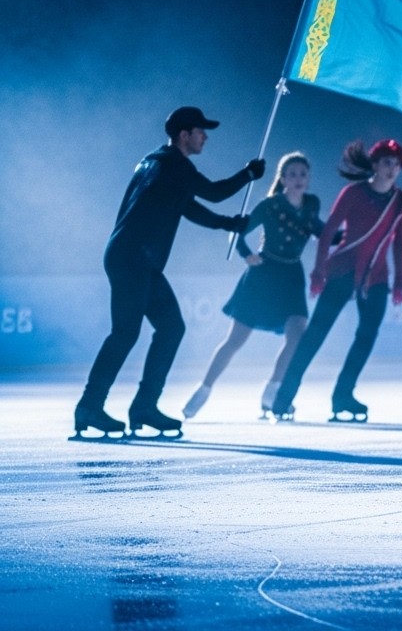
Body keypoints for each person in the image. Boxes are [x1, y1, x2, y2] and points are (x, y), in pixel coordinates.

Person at [73, 106, 264, 440]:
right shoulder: (173, 164)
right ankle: (91, 405)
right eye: (201, 131)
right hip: (133, 258)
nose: (206, 136)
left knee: (170, 327)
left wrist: (228, 224)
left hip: (132, 257)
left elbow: (187, 207)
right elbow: (214, 192)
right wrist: (248, 174)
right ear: (183, 134)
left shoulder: (157, 164)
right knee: (126, 333)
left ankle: (143, 406)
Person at [269, 140, 402, 422]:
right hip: (344, 270)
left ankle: (343, 395)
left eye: (396, 164)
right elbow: (328, 232)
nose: (392, 169)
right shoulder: (354, 193)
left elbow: (400, 242)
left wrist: (399, 283)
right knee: (315, 335)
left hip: (376, 276)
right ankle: (283, 397)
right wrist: (319, 272)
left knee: (367, 336)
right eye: (386, 162)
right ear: (374, 165)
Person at [182, 152, 324, 420]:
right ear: (282, 179)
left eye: (302, 174)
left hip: (292, 275)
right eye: (292, 174)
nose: (298, 179)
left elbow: (320, 230)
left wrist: (346, 234)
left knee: (297, 336)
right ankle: (204, 388)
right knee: (235, 340)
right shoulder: (270, 205)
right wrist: (247, 253)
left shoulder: (311, 204)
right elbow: (239, 232)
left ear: (308, 178)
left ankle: (273, 391)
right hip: (263, 274)